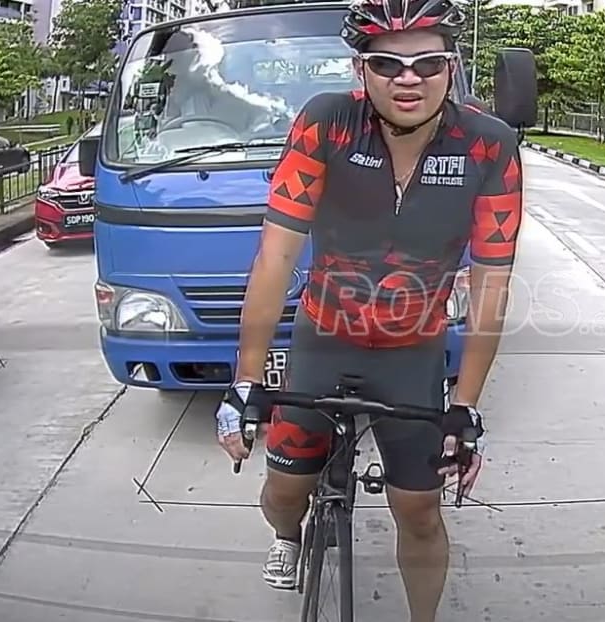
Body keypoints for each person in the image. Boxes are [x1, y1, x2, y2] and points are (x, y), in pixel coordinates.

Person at [215, 0, 523, 618]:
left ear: (451, 66)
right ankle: (286, 536)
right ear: (362, 71)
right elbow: (275, 257)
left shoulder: (489, 147)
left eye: (427, 63)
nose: (408, 79)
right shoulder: (325, 124)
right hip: (323, 339)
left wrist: (465, 405)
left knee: (419, 509)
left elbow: (491, 283)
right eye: (388, 63)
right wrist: (245, 380)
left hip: (413, 352)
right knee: (283, 492)